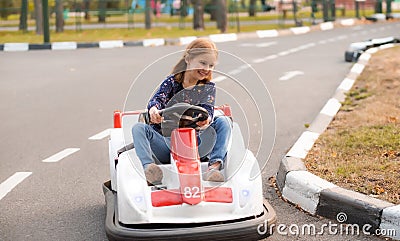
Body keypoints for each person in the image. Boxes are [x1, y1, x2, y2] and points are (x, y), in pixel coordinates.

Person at [132, 38, 232, 185]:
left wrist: (206, 119)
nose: (207, 68)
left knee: (224, 121)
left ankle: (214, 167)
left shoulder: (208, 87)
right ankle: (150, 169)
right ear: (188, 59)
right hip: (166, 144)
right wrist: (154, 110)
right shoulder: (171, 83)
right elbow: (158, 99)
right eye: (203, 63)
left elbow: (208, 109)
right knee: (138, 128)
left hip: (196, 144)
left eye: (211, 65)